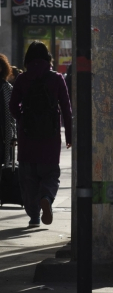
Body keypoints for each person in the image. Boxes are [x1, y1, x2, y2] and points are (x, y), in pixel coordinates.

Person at [9, 41, 72, 228]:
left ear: (27, 58)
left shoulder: (22, 79)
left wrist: (22, 120)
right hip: (50, 139)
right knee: (51, 174)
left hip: (27, 138)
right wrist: (69, 136)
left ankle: (34, 216)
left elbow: (13, 106)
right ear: (48, 58)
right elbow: (67, 110)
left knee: (28, 179)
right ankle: (46, 196)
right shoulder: (57, 78)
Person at [0, 54, 16, 166]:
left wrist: (14, 134)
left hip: (4, 134)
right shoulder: (7, 87)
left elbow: (12, 115)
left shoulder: (7, 87)